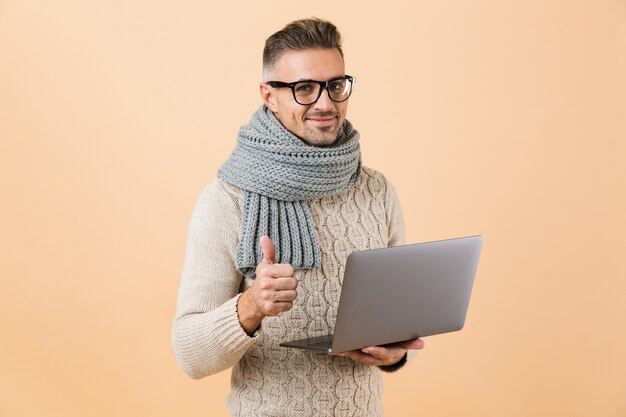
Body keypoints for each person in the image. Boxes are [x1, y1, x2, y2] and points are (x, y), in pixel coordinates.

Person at [172, 17, 424, 416]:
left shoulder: (377, 190)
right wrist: (251, 305)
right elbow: (189, 354)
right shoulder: (226, 200)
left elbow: (393, 323)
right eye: (304, 89)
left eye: (335, 85)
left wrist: (392, 354)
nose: (325, 103)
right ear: (269, 95)